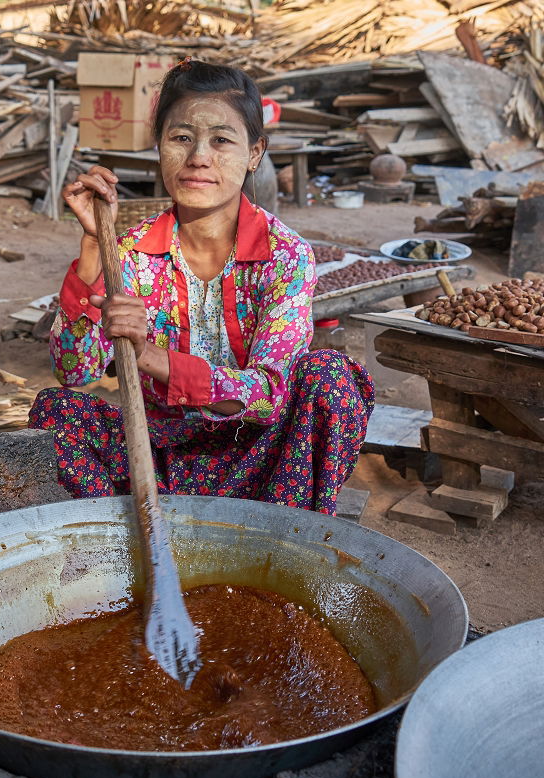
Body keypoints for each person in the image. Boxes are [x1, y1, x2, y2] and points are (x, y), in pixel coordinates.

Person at [29, 59, 374, 515]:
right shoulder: (129, 252)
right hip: (159, 455)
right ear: (160, 148)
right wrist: (96, 246)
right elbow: (74, 372)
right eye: (181, 137)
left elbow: (269, 395)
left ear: (254, 153)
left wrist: (147, 355)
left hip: (261, 462)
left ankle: (279, 539)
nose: (198, 158)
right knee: (55, 414)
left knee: (330, 379)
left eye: (222, 140)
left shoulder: (285, 256)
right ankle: (128, 538)